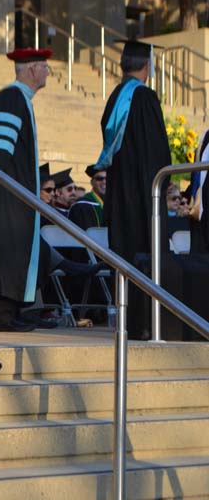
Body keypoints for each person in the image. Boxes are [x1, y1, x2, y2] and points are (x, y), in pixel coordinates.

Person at [95, 40, 171, 338]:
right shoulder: (144, 97)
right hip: (143, 196)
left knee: (125, 256)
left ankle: (128, 322)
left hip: (119, 194)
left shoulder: (115, 97)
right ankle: (147, 323)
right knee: (145, 254)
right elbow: (156, 152)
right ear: (147, 66)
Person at [0, 47, 53, 331]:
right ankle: (1, 315)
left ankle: (11, 311)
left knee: (16, 252)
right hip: (6, 195)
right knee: (8, 252)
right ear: (33, 69)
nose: (47, 73)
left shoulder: (20, 99)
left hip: (16, 194)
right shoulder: (10, 97)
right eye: (45, 68)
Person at [69, 165, 106, 230]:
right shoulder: (82, 205)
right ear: (92, 182)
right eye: (99, 179)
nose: (104, 182)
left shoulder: (113, 204)